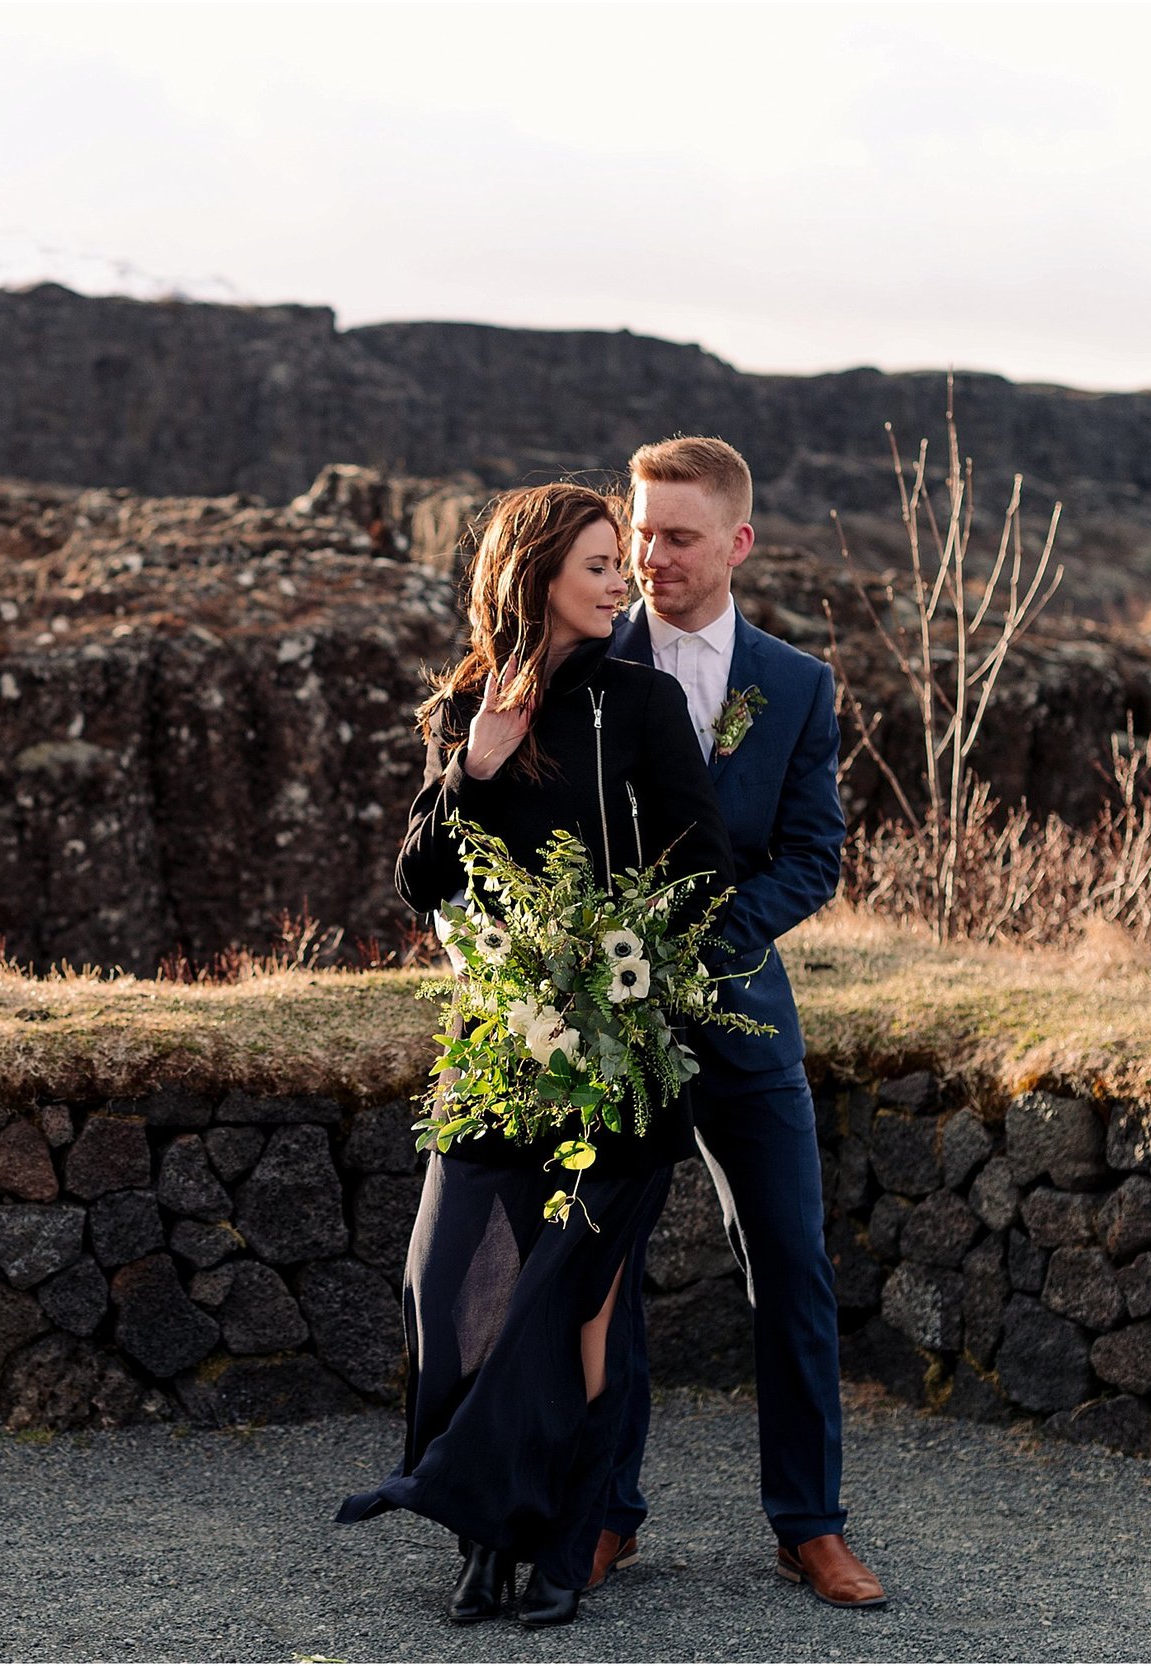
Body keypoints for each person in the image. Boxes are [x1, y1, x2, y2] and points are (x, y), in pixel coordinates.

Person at [336, 482, 734, 1628]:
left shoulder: (643, 700)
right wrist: (475, 766)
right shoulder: (469, 703)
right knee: (445, 1286)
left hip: (617, 1047)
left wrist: (627, 962)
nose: (625, 580)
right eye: (602, 563)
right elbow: (420, 881)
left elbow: (704, 865)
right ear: (537, 573)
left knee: (581, 1309)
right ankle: (482, 1532)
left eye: (624, 561)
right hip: (497, 1045)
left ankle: (563, 1539)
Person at [592, 436, 886, 1608]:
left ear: (737, 544)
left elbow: (814, 856)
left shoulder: (799, 683)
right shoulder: (586, 662)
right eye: (642, 531)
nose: (650, 557)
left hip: (747, 1024)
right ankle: (607, 1513)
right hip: (609, 1025)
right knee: (601, 1276)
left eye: (676, 535)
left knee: (794, 1272)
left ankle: (807, 1524)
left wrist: (707, 945)